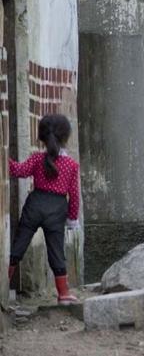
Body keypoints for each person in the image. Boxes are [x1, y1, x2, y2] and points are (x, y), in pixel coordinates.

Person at [7, 114, 80, 305]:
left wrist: (4, 158)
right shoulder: (71, 165)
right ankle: (63, 294)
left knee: (18, 246)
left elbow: (18, 171)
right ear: (65, 137)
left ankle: (3, 283)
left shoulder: (37, 159)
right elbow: (74, 195)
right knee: (56, 251)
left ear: (42, 137)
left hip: (35, 204)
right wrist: (72, 220)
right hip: (57, 210)